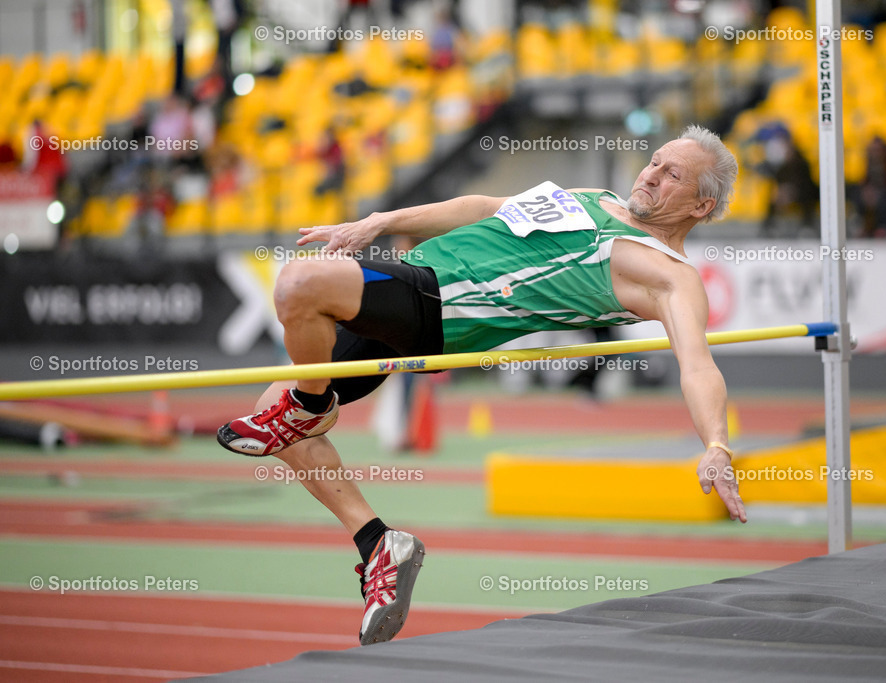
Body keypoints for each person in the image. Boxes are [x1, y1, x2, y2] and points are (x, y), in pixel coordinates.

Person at [216, 125, 747, 646]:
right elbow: (482, 207)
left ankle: (310, 405)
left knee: (298, 283)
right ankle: (378, 541)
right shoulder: (597, 198)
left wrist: (716, 444)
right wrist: (382, 220)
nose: (651, 174)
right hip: (413, 280)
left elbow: (698, 364)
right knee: (274, 412)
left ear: (700, 206)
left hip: (439, 307)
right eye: (654, 160)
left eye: (672, 174)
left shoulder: (666, 273)